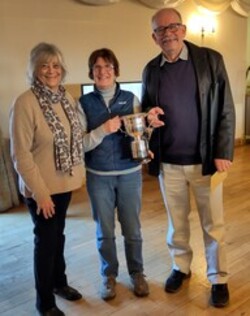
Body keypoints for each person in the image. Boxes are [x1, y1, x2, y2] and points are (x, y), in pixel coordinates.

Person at [141, 8, 235, 308]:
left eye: (172, 27)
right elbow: (147, 112)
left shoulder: (210, 60)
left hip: (207, 162)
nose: (167, 33)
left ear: (183, 29)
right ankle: (181, 267)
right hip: (169, 163)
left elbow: (225, 108)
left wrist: (223, 151)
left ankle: (218, 278)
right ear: (154, 38)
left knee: (213, 224)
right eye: (160, 30)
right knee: (176, 223)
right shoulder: (151, 70)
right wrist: (148, 120)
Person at [9, 42, 85, 316]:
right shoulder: (25, 102)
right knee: (46, 243)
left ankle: (59, 283)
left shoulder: (66, 99)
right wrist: (40, 192)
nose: (51, 70)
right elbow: (21, 155)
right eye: (44, 65)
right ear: (34, 70)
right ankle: (45, 302)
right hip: (42, 190)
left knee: (58, 238)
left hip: (64, 186)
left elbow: (75, 139)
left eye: (55, 65)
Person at [79, 48, 150, 301]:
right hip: (98, 176)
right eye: (97, 67)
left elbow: (140, 134)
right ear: (91, 73)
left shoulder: (131, 98)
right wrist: (102, 130)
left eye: (107, 66)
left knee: (132, 229)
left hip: (130, 174)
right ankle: (109, 276)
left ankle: (137, 273)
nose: (103, 71)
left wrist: (147, 137)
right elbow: (80, 144)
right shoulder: (83, 103)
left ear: (116, 70)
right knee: (104, 230)